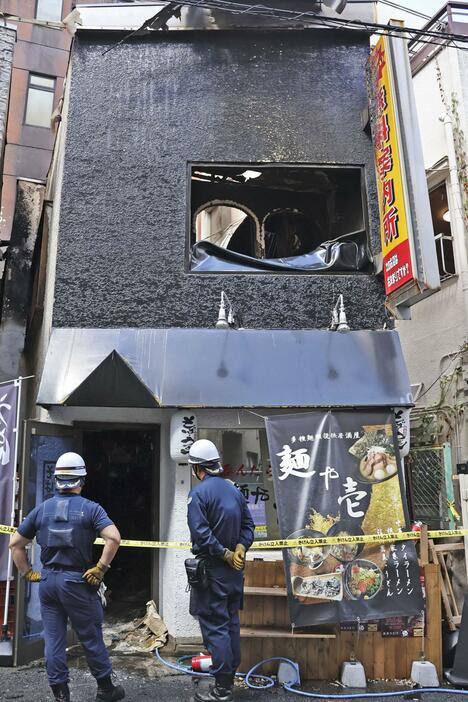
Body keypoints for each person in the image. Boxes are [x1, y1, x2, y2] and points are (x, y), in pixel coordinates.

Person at [9, 452, 125, 702]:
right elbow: (114, 538)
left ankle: (61, 695)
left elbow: (15, 544)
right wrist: (101, 567)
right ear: (81, 480)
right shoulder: (91, 509)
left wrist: (27, 572)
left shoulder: (42, 509)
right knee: (90, 637)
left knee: (53, 640)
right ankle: (106, 689)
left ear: (56, 479)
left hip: (48, 583)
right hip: (78, 582)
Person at [187, 439, 255, 702]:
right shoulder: (233, 490)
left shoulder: (199, 494)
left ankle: (222, 688)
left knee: (215, 627)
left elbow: (201, 534)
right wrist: (240, 547)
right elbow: (248, 525)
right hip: (234, 573)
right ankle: (228, 676)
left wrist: (224, 553)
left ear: (197, 468)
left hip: (213, 571)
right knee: (230, 624)